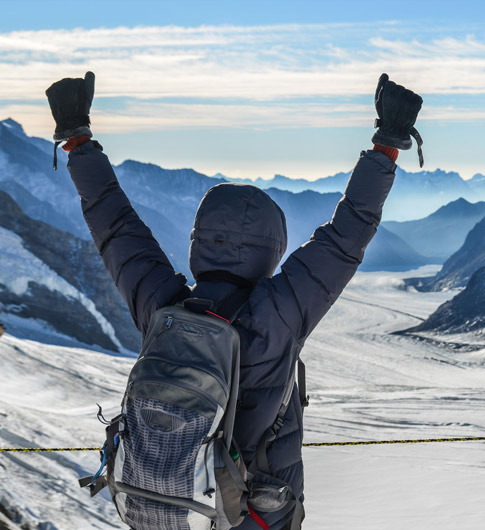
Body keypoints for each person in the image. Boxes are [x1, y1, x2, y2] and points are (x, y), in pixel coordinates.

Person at [46, 72, 423, 529]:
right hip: (254, 517)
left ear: (197, 240)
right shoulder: (279, 312)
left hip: (170, 510)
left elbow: (114, 226)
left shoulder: (163, 310)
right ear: (271, 248)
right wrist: (387, 144)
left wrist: (77, 140)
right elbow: (348, 234)